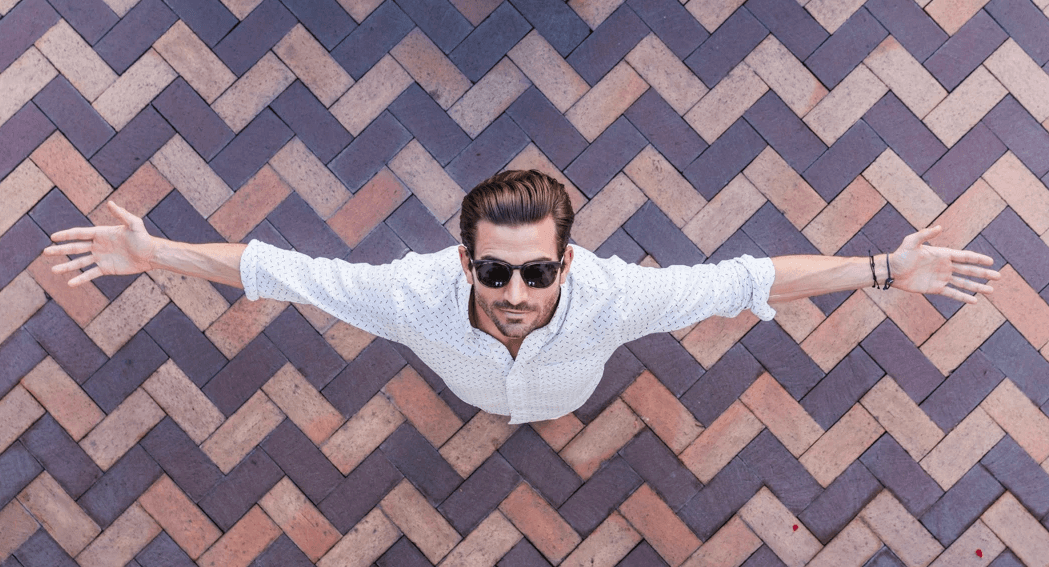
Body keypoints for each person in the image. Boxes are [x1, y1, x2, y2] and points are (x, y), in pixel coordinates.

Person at [45, 170, 1000, 424]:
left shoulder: (614, 297)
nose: (514, 290)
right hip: (470, 388)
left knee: (560, 402)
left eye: (536, 271)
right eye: (494, 269)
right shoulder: (409, 296)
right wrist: (156, 252)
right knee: (477, 396)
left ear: (567, 262)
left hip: (567, 390)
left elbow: (749, 280)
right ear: (463, 260)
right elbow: (274, 270)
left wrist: (884, 269)